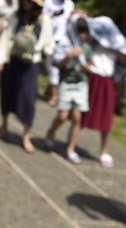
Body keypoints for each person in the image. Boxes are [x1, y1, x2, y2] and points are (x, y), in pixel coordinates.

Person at [0, 0, 52, 153]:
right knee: (7, 92)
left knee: (28, 98)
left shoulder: (43, 21)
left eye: (29, 0)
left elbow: (48, 44)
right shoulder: (16, 16)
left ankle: (26, 134)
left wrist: (45, 55)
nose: (25, 3)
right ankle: (4, 123)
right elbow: (6, 37)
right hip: (13, 60)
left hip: (30, 64)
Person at [81, 15, 126, 167]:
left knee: (106, 118)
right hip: (92, 78)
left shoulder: (118, 43)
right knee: (81, 112)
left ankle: (104, 151)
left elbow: (124, 60)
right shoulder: (92, 39)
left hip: (107, 80)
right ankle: (71, 142)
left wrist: (119, 52)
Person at [43, 15, 92, 164]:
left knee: (77, 117)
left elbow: (90, 66)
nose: (82, 35)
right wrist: (68, 56)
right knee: (63, 115)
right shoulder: (65, 43)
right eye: (80, 32)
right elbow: (57, 65)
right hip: (66, 82)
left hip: (81, 84)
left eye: (85, 32)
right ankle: (51, 132)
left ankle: (71, 149)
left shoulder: (87, 48)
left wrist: (87, 66)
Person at [42, 0, 74, 104]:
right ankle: (54, 96)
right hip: (51, 39)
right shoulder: (49, 1)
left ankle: (49, 91)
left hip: (64, 41)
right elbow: (43, 18)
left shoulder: (70, 4)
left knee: (60, 67)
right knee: (52, 67)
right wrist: (54, 14)